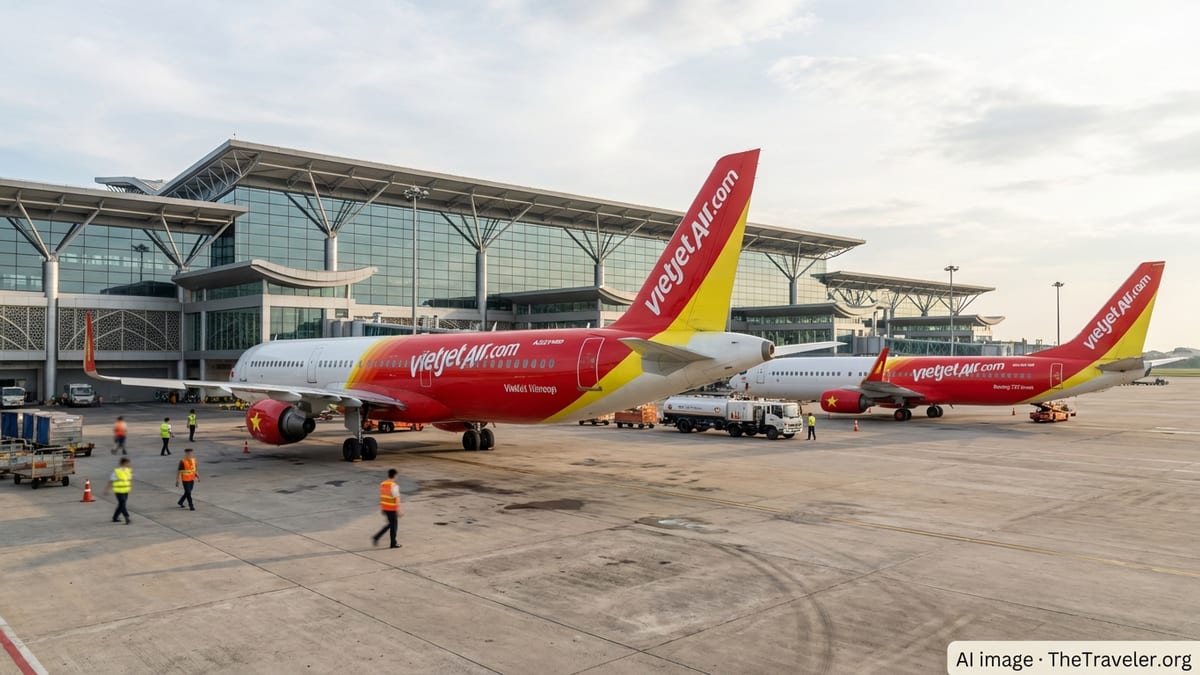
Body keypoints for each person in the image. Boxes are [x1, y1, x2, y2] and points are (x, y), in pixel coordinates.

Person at [371, 469, 403, 549]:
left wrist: (382, 508)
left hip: (385, 507)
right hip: (392, 508)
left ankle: (378, 537)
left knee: (391, 524)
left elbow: (382, 496)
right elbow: (397, 499)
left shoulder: (383, 484)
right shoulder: (394, 485)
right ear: (395, 475)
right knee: (394, 526)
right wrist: (399, 510)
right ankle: (392, 543)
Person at [104, 457, 133, 524]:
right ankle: (127, 516)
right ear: (123, 463)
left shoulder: (128, 470)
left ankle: (115, 517)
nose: (129, 464)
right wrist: (107, 489)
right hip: (119, 490)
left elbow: (129, 480)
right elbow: (111, 481)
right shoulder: (117, 471)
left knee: (121, 504)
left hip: (126, 490)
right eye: (127, 463)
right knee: (122, 503)